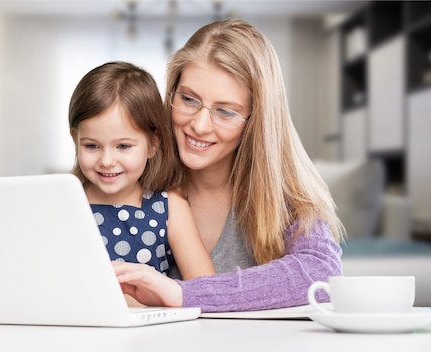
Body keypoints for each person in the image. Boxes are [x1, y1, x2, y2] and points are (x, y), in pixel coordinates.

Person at [112, 19, 344, 312]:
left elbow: (321, 274)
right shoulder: (132, 175)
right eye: (188, 99)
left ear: (256, 120)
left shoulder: (286, 195)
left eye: (225, 112)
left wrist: (184, 294)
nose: (198, 125)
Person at [68, 61, 215, 281]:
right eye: (91, 146)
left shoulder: (169, 206)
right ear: (75, 139)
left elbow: (207, 286)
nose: (107, 161)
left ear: (153, 144)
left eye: (123, 146)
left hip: (149, 315)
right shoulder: (67, 202)